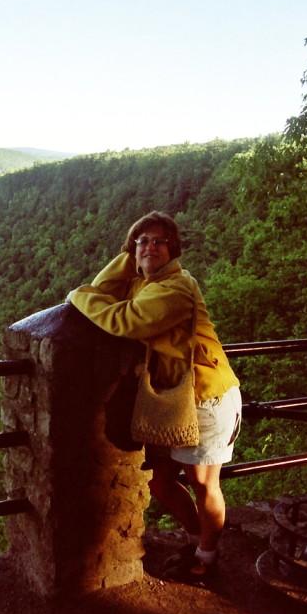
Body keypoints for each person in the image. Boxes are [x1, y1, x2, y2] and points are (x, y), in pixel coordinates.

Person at [67, 210, 241, 579]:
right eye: (143, 240)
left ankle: (207, 559)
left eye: (160, 241)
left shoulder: (174, 288)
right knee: (161, 483)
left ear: (174, 249)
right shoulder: (144, 283)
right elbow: (104, 290)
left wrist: (76, 295)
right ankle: (199, 540)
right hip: (175, 402)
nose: (151, 247)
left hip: (207, 399)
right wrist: (132, 257)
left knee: (203, 483)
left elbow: (124, 321)